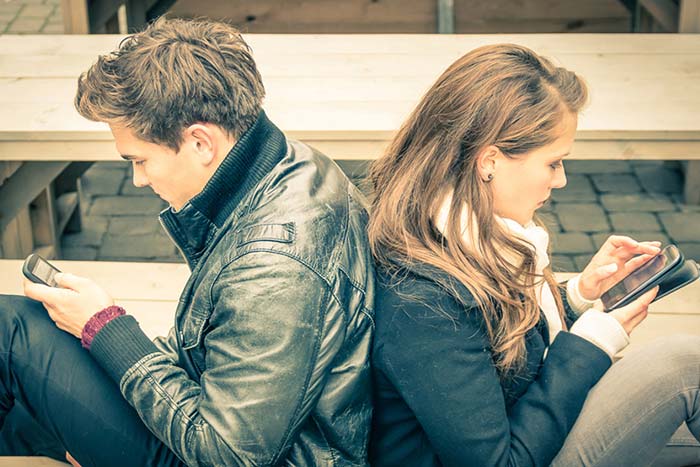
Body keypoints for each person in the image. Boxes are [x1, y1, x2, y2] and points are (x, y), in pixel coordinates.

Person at [0, 18, 375, 466]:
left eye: (139, 159)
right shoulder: (293, 163)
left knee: (12, 329)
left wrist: (105, 327)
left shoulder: (275, 267)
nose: (137, 179)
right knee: (24, 409)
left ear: (201, 142)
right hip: (233, 413)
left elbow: (227, 454)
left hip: (231, 453)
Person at [367, 43, 700, 466]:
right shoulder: (424, 303)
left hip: (534, 432)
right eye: (553, 163)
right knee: (686, 368)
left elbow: (502, 352)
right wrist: (590, 345)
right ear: (489, 162)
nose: (560, 181)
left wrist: (576, 296)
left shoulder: (463, 237)